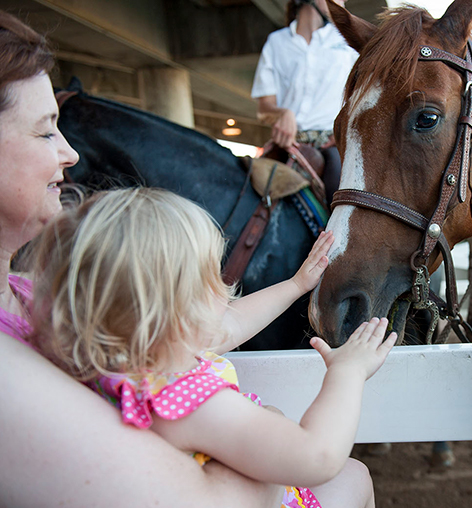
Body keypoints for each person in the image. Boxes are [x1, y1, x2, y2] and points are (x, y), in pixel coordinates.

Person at [0, 10, 289, 507]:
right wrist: (269, 443)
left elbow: (204, 327)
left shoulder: (35, 292)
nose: (69, 154)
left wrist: (302, 282)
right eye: (46, 131)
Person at [27, 187, 395, 508]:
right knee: (355, 476)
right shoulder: (188, 399)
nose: (225, 284)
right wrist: (348, 372)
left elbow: (232, 323)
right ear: (177, 310)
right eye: (211, 275)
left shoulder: (132, 364)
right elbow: (318, 455)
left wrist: (298, 284)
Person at [251, 0, 358, 203]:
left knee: (340, 199)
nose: (342, 2)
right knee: (251, 193)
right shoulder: (276, 42)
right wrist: (282, 114)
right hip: (289, 144)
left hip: (332, 146)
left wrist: (344, 130)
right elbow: (264, 107)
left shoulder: (347, 42)